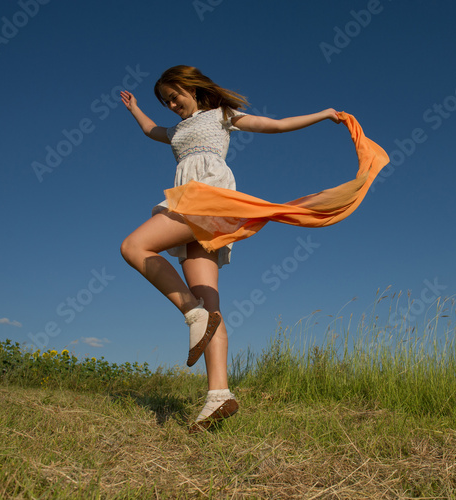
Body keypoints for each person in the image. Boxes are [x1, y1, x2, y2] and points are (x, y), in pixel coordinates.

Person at [119, 65, 373, 433]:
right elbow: (148, 130)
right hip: (194, 205)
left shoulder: (221, 115)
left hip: (204, 196)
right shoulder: (175, 130)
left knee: (134, 246)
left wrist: (323, 114)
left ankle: (192, 314)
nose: (172, 104)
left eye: (175, 95)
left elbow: (277, 124)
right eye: (166, 101)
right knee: (212, 309)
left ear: (193, 88)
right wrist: (136, 108)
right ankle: (218, 395)